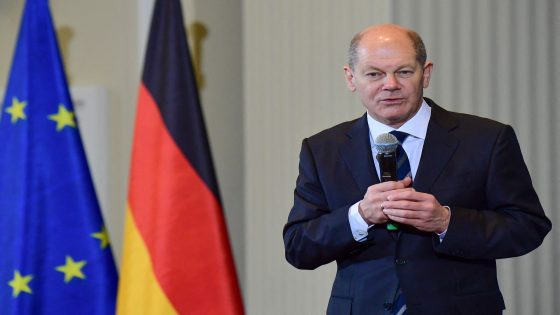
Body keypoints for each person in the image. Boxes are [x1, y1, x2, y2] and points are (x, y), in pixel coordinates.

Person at [283, 24, 551, 315]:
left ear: (426, 74)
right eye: (374, 74)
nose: (390, 84)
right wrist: (359, 216)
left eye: (404, 72)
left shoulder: (486, 139)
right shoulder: (323, 149)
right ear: (351, 78)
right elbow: (299, 247)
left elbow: (528, 227)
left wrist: (446, 221)